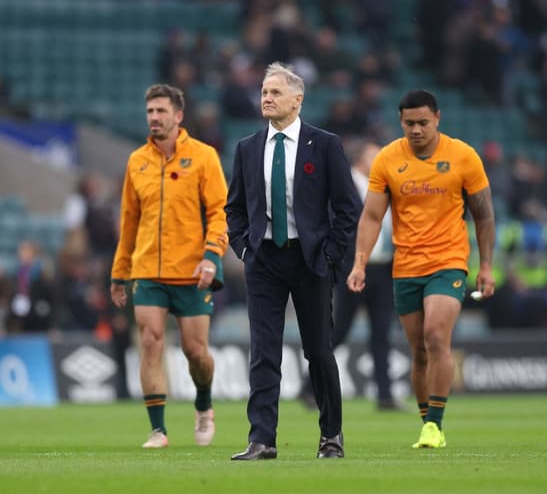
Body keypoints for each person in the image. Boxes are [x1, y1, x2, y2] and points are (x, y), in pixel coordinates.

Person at [225, 62, 361, 461]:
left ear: (297, 100)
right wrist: (244, 248)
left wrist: (332, 253)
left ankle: (331, 435)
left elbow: (348, 207)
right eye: (264, 92)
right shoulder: (247, 147)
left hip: (311, 260)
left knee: (318, 351)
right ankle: (262, 439)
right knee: (263, 351)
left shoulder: (325, 145)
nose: (266, 98)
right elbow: (233, 207)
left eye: (275, 92)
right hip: (264, 259)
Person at [347, 90, 496, 448]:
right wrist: (360, 261)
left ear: (438, 119)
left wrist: (487, 265)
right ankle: (426, 421)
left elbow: (484, 214)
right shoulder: (387, 159)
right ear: (401, 122)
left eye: (423, 123)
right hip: (406, 266)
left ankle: (436, 424)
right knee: (418, 351)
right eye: (409, 123)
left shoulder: (463, 157)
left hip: (449, 262)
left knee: (435, 334)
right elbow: (371, 216)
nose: (416, 129)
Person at [110, 84, 228, 449]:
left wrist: (212, 256)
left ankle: (204, 404)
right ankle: (158, 430)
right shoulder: (136, 161)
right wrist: (119, 273)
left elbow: (220, 213)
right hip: (147, 271)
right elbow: (129, 221)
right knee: (150, 342)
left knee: (196, 352)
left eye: (161, 112)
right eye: (150, 112)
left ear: (178, 116)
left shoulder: (205, 157)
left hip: (192, 272)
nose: (154, 118)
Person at [299, 138, 400, 411]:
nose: (379, 160)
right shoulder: (345, 185)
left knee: (381, 333)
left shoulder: (384, 188)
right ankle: (309, 385)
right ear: (359, 159)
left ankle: (385, 396)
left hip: (383, 268)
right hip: (352, 269)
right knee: (339, 331)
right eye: (373, 155)